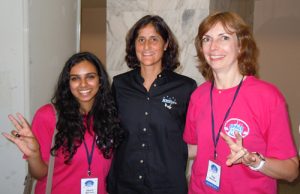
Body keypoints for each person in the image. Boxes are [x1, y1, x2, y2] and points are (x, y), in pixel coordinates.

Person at [184, 11, 299, 194]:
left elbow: (291, 171)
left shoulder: (267, 96)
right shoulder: (199, 95)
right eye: (207, 39)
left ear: (240, 45)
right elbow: (193, 147)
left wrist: (255, 161)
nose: (213, 46)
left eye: (223, 38)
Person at [2, 52, 123, 194]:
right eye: (75, 78)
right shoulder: (49, 115)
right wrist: (33, 155)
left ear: (100, 80)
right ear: (68, 83)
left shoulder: (109, 117)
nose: (83, 84)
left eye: (90, 77)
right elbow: (40, 175)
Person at [106, 15, 197, 194]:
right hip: (125, 183)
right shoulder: (119, 84)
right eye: (141, 40)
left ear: (165, 44)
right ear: (134, 46)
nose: (147, 46)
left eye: (154, 39)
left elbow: (195, 137)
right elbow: (109, 130)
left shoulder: (185, 87)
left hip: (167, 185)